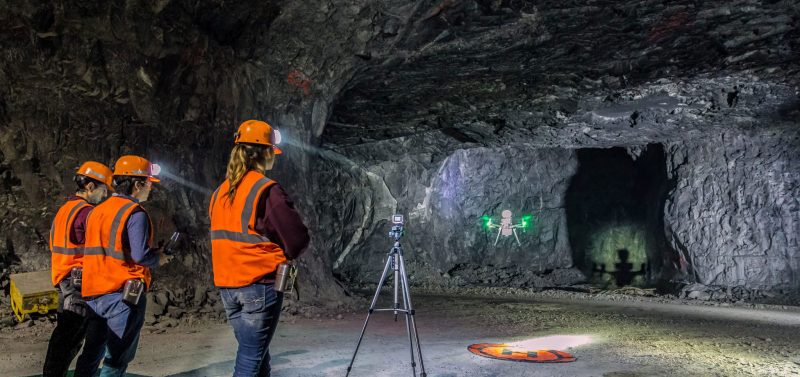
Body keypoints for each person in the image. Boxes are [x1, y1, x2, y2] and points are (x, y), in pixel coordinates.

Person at [209, 119, 310, 376]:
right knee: (250, 358)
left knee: (255, 352)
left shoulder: (220, 192)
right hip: (257, 284)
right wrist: (284, 253)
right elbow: (297, 239)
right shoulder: (265, 189)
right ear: (265, 152)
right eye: (272, 152)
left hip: (227, 286)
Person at [75, 155, 170, 377]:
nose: (149, 188)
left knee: (91, 353)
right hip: (121, 297)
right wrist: (160, 258)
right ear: (137, 184)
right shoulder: (135, 213)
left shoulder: (97, 210)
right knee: (115, 360)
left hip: (93, 293)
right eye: (148, 183)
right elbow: (139, 256)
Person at [43, 161, 114, 377]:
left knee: (64, 339)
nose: (105, 196)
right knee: (69, 338)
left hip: (63, 278)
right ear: (91, 186)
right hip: (78, 284)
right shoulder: (86, 213)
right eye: (104, 190)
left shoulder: (65, 209)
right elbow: (99, 249)